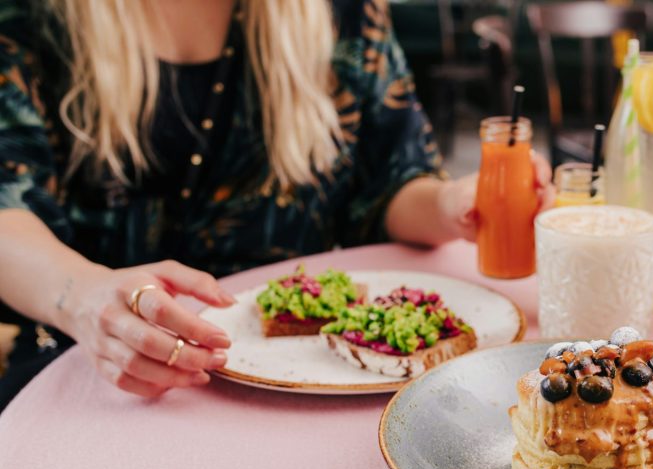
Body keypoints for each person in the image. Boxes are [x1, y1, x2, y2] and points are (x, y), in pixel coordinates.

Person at [0, 0, 552, 408]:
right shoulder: (31, 22)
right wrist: (80, 296)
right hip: (107, 378)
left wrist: (453, 203)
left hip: (310, 390)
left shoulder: (347, 15)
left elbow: (391, 186)